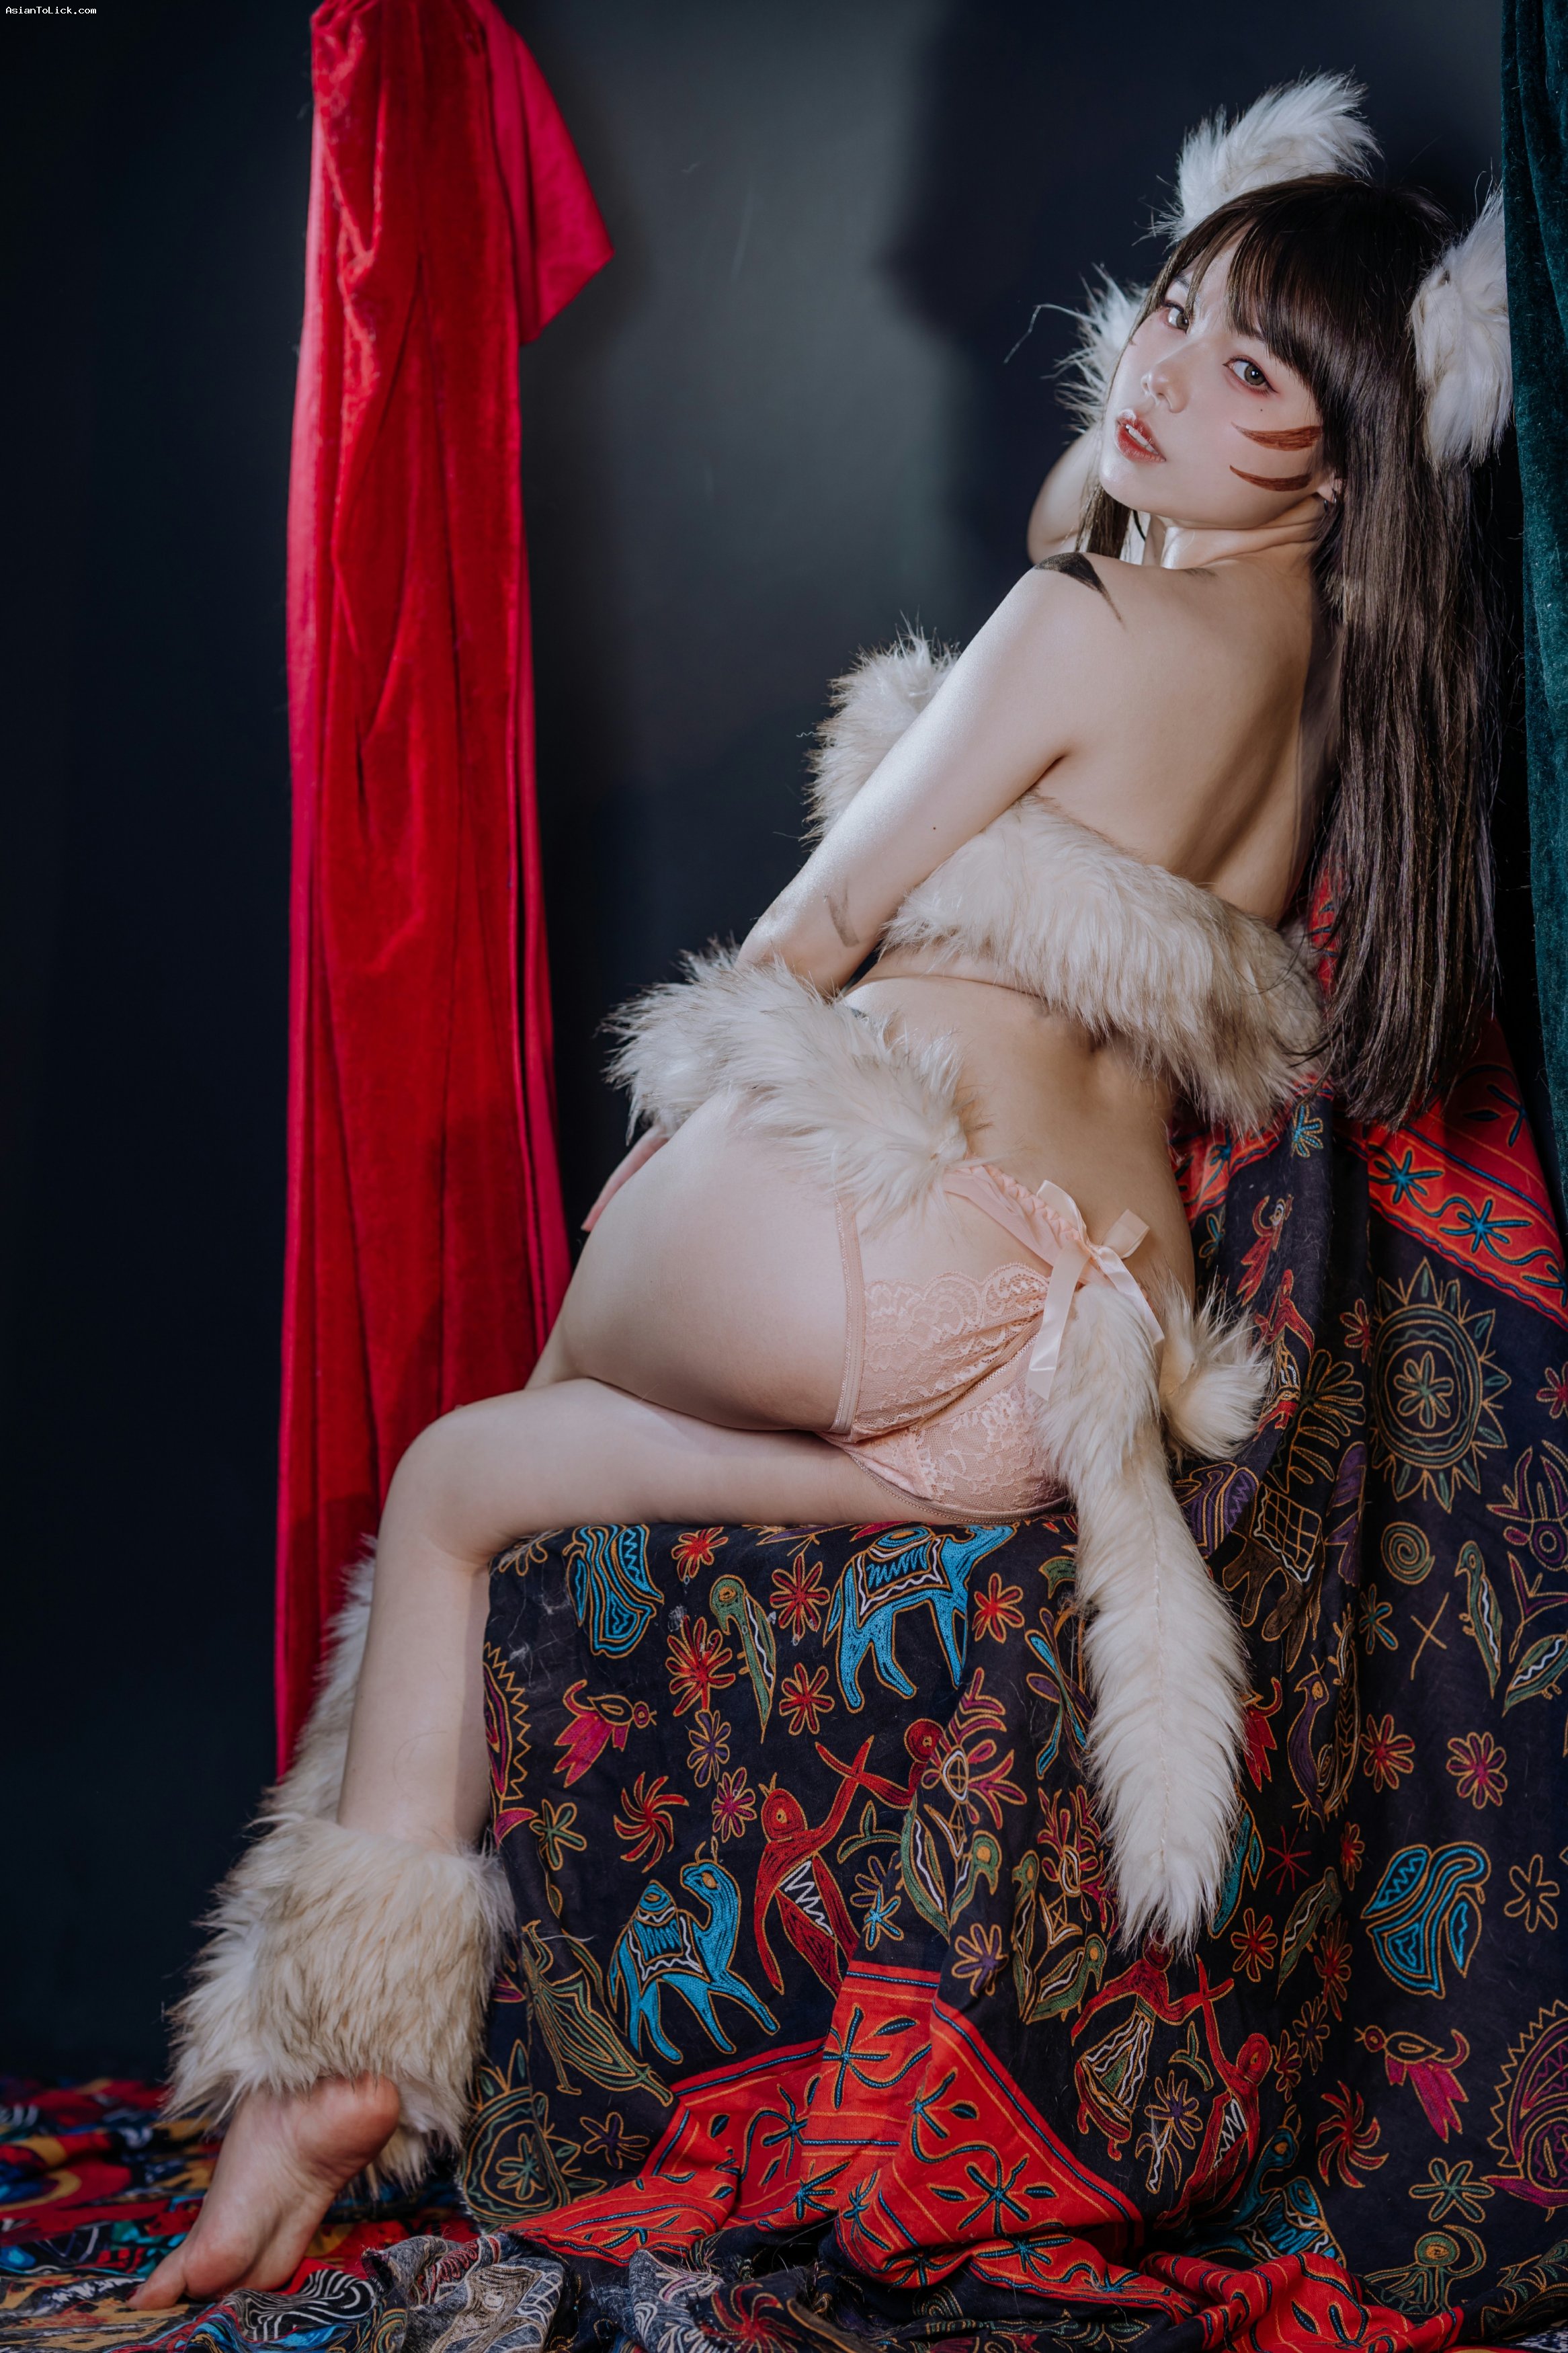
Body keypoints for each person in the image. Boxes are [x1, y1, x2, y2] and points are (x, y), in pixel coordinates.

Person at [133, 76, 1509, 2311]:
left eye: (1251, 367)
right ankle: (328, 2088)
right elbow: (1128, 503)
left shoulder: (1080, 621)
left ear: (1345, 452)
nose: (1166, 373)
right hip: (1048, 1390)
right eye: (1169, 313)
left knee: (499, 1417)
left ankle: (327, 2049)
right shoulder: (1326, 688)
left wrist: (675, 1143)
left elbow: (818, 927)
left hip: (889, 1230)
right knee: (475, 1481)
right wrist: (1217, 374)